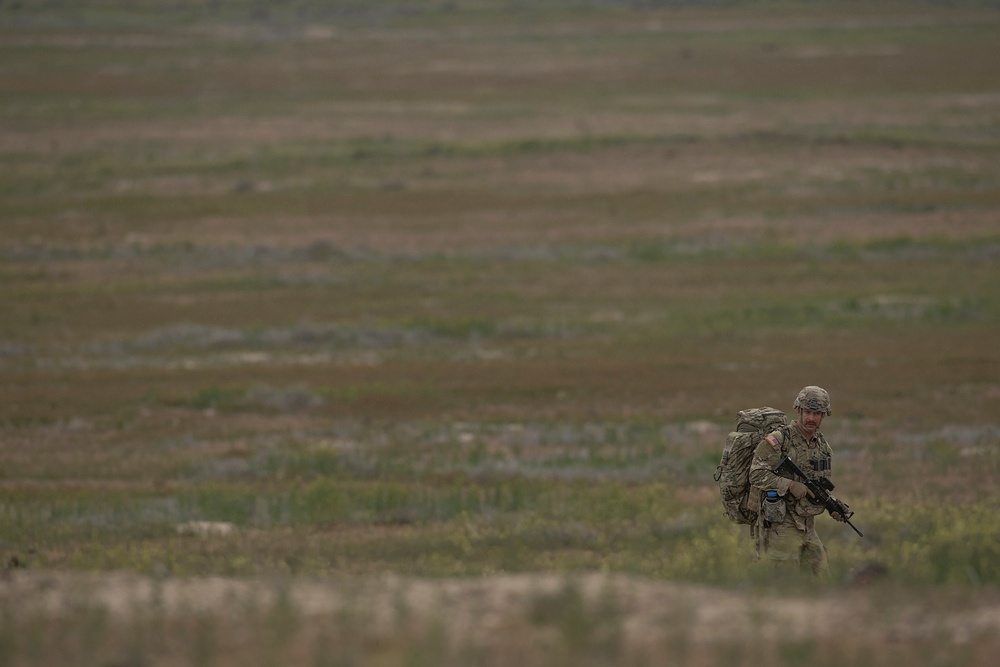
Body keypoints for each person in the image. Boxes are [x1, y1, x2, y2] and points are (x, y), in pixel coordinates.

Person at [748, 385, 848, 581]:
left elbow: (817, 484)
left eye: (817, 413)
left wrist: (832, 504)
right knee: (783, 585)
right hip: (780, 526)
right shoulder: (778, 440)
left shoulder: (822, 446)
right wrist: (790, 485)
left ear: (824, 415)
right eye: (808, 412)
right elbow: (756, 474)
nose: (811, 418)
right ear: (799, 411)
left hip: (807, 525)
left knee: (822, 580)